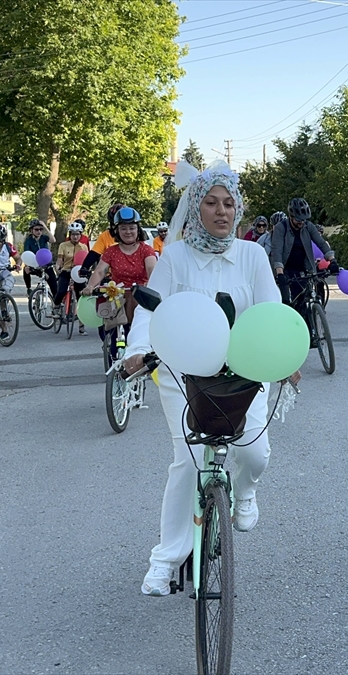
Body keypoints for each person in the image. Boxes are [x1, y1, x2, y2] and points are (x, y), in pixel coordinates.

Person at [121, 160, 294, 597]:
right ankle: (167, 558)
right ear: (196, 207)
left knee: (255, 454)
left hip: (242, 372)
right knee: (190, 462)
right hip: (186, 375)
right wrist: (136, 350)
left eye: (229, 204)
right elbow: (150, 308)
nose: (222, 211)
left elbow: (269, 311)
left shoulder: (253, 255)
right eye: (212, 203)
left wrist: (284, 355)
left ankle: (244, 491)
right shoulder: (176, 255)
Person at [84, 206, 157, 356]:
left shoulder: (146, 250)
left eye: (132, 228)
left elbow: (152, 270)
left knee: (137, 334)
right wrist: (90, 286)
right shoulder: (111, 251)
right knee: (110, 332)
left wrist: (153, 286)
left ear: (138, 230)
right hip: (117, 296)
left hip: (139, 297)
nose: (128, 232)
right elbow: (99, 271)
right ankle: (113, 360)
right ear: (117, 231)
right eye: (123, 228)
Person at [270, 197, 337, 342]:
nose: (301, 222)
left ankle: (309, 333)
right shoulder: (281, 228)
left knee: (304, 298)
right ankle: (287, 331)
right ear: (291, 216)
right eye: (298, 219)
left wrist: (332, 260)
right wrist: (280, 273)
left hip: (304, 267)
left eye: (304, 219)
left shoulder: (308, 226)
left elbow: (321, 243)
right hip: (286, 269)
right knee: (287, 301)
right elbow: (277, 250)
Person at [55, 221, 89, 333]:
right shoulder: (63, 245)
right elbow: (60, 259)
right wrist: (58, 267)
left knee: (81, 298)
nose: (75, 236)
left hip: (78, 273)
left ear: (81, 235)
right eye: (73, 234)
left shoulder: (84, 247)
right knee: (61, 291)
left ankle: (81, 325)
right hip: (66, 271)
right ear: (70, 234)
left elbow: (86, 261)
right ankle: (56, 307)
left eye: (77, 234)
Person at [21, 218, 57, 297]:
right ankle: (29, 288)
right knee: (25, 270)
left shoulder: (44, 237)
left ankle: (56, 304)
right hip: (35, 264)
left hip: (46, 264)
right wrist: (27, 266)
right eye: (36, 229)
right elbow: (27, 253)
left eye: (41, 229)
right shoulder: (28, 241)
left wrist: (45, 226)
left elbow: (53, 240)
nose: (39, 231)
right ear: (31, 230)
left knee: (54, 287)